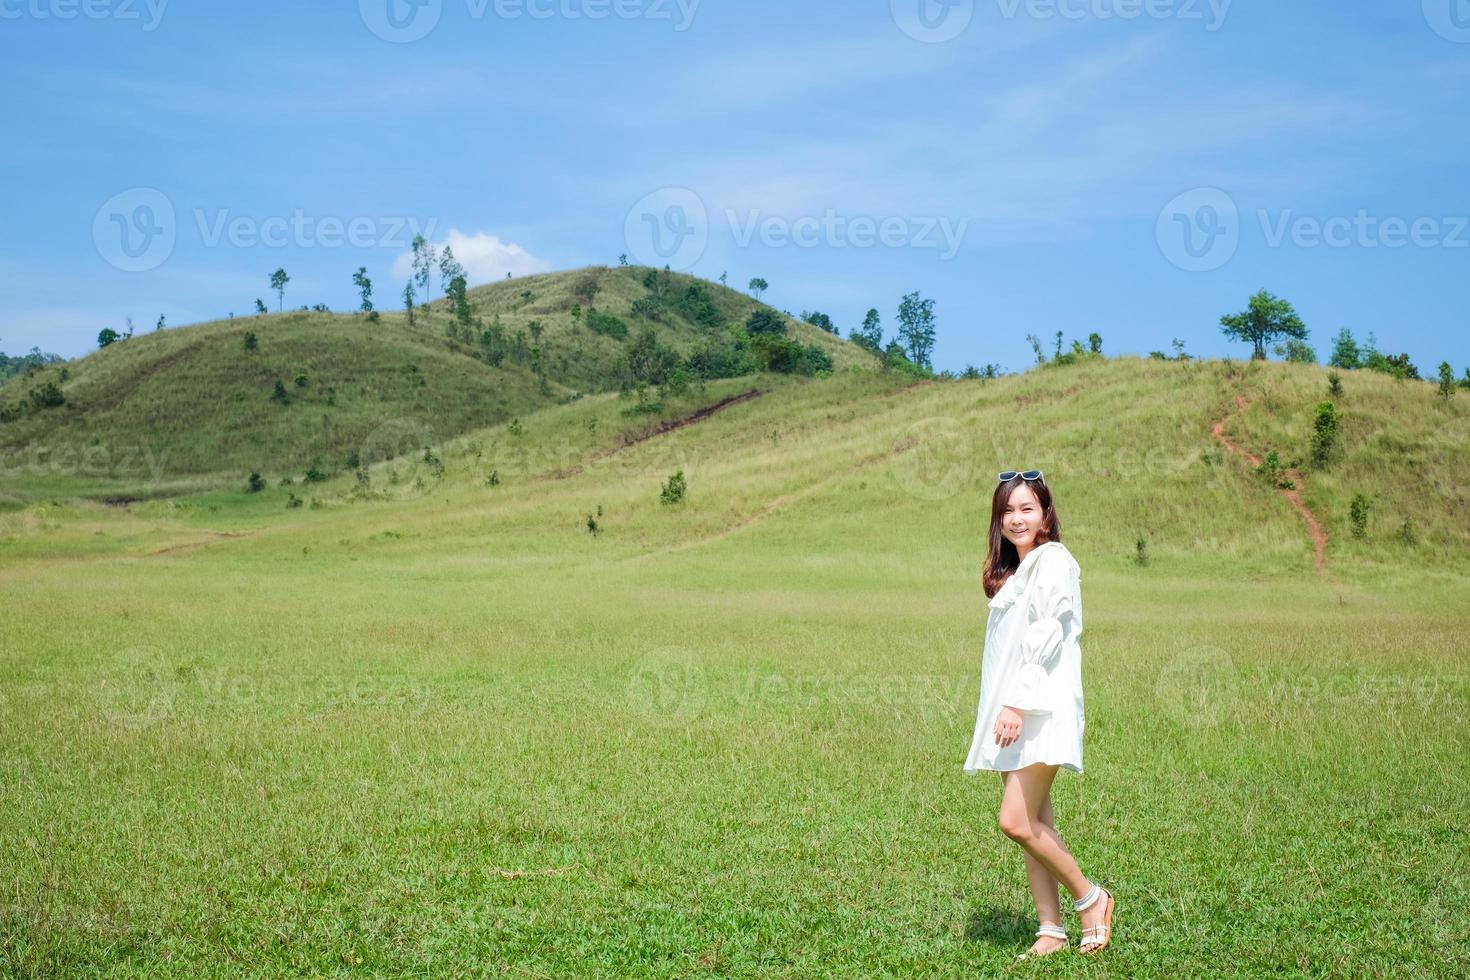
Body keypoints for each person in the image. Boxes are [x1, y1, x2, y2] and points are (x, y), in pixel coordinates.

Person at [962, 470, 1114, 958]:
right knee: (1034, 821)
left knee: (1015, 821)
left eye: (1027, 508)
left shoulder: (1053, 560)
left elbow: (1048, 633)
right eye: (1007, 511)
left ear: (1046, 514)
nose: (1016, 519)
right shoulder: (1016, 572)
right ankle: (1050, 929)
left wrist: (1016, 703)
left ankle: (1091, 899)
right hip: (1017, 714)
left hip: (1037, 710)